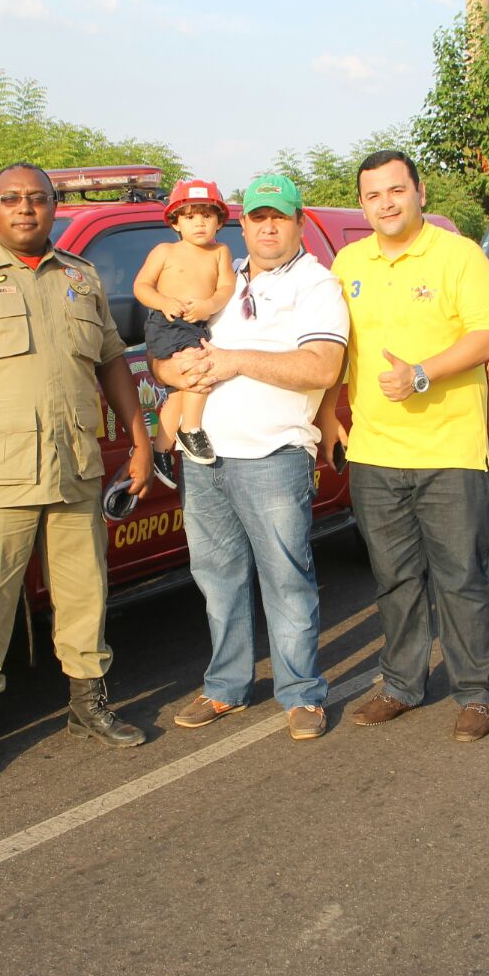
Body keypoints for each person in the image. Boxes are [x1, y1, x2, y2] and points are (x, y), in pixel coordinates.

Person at [0, 162, 153, 784]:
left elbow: (114, 364)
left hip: (74, 463)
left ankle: (87, 705)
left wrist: (141, 442)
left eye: (36, 199)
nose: (24, 209)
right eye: (10, 199)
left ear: (52, 208)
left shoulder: (81, 277)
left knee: (84, 590)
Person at [315, 149, 489, 743]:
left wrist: (422, 373)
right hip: (375, 452)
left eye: (396, 191)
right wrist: (326, 416)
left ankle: (475, 691)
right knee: (393, 577)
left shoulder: (459, 255)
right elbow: (333, 348)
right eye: (373, 196)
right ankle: (401, 683)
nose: (386, 204)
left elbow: (487, 336)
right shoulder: (348, 263)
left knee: (459, 575)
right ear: (362, 203)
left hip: (449, 450)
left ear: (420, 192)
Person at [152, 174, 348, 741]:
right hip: (206, 456)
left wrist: (236, 360)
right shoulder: (221, 276)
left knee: (286, 579)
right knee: (217, 578)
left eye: (279, 217)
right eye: (258, 217)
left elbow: (321, 368)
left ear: (298, 222)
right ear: (243, 224)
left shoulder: (316, 286)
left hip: (274, 454)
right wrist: (171, 371)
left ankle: (301, 693)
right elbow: (168, 350)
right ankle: (226, 687)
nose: (267, 226)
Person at [133, 180, 235, 472]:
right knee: (198, 371)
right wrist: (163, 302)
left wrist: (210, 305)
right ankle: (191, 429)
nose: (199, 223)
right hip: (167, 322)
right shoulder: (165, 251)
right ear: (175, 223)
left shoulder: (220, 252)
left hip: (197, 324)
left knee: (180, 391)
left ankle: (161, 448)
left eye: (207, 216)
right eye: (190, 217)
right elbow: (141, 286)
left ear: (219, 221)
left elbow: (226, 286)